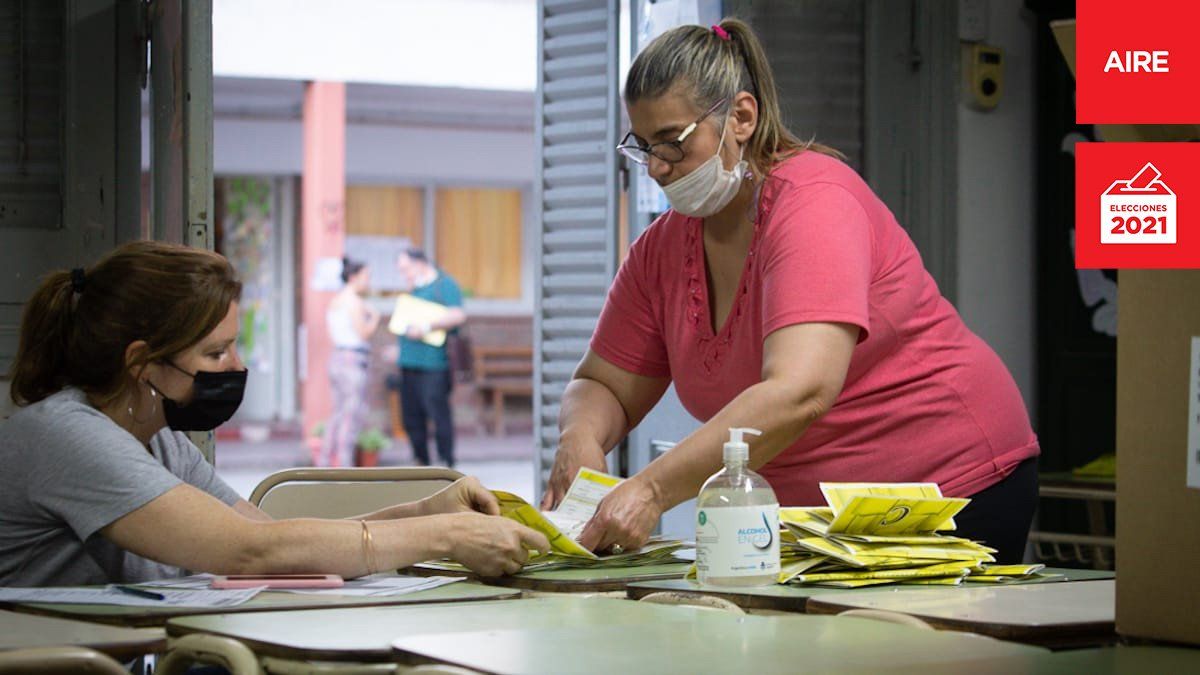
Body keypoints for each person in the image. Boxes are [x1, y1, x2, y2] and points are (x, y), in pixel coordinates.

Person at [541, 19, 1040, 563]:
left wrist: (652, 489)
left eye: (673, 144)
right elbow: (603, 384)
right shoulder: (660, 251)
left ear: (741, 117)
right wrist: (579, 439)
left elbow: (800, 391)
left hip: (946, 485)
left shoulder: (813, 203)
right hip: (818, 518)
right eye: (643, 147)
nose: (658, 168)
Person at [0, 241, 548, 587]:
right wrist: (446, 536)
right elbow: (253, 551)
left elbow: (277, 537)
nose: (236, 366)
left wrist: (427, 510)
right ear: (142, 363)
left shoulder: (157, 440)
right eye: (215, 353)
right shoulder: (68, 435)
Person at [394, 248, 465, 468]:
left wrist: (426, 327)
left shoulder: (444, 285)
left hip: (434, 364)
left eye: (406, 269)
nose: (404, 275)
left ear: (420, 264)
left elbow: (458, 315)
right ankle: (421, 460)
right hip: (408, 364)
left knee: (437, 413)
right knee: (411, 416)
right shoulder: (413, 289)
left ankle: (446, 461)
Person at [317, 257, 379, 468]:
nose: (368, 281)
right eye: (366, 276)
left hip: (337, 358)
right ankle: (344, 464)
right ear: (354, 277)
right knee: (350, 415)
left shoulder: (336, 300)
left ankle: (325, 461)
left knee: (337, 413)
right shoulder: (353, 301)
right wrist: (375, 318)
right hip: (353, 359)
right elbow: (363, 333)